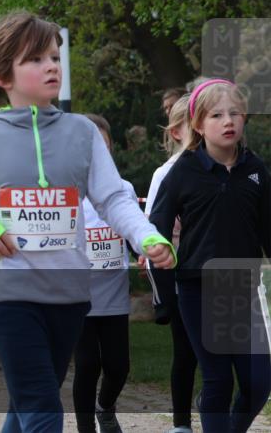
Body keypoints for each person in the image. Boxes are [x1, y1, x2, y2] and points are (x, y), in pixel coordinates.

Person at [0, 10, 174, 433]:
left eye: (55, 58)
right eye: (36, 59)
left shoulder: (82, 133)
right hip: (10, 297)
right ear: (3, 75)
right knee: (43, 407)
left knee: (28, 403)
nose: (51, 67)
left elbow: (114, 196)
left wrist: (147, 236)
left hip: (70, 296)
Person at [150, 79, 270, 433]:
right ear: (199, 125)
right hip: (197, 290)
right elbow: (155, 227)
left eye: (234, 113)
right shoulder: (182, 171)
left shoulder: (255, 169)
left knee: (258, 384)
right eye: (217, 115)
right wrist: (158, 255)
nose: (228, 120)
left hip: (245, 290)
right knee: (218, 381)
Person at [72, 114, 135, 433]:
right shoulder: (68, 196)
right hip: (79, 296)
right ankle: (85, 429)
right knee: (86, 364)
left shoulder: (123, 189)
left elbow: (134, 226)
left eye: (102, 146)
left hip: (114, 295)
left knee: (118, 366)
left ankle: (105, 407)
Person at [143, 94, 197, 433]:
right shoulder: (165, 173)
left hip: (220, 272)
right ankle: (181, 423)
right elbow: (151, 227)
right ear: (177, 132)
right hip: (179, 274)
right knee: (186, 350)